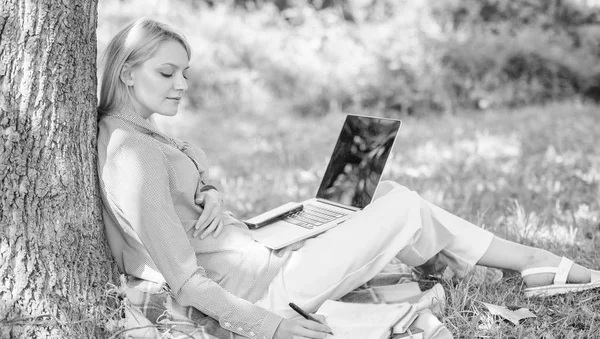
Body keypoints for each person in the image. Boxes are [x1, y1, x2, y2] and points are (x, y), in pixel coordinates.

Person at [96, 18, 600, 339]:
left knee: (380, 193)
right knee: (402, 207)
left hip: (261, 253)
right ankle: (530, 263)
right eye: (168, 73)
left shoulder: (137, 136)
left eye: (186, 72)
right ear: (126, 73)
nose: (182, 84)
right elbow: (184, 281)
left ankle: (498, 262)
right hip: (265, 290)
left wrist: (207, 195)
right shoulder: (131, 153)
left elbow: (175, 185)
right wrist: (272, 330)